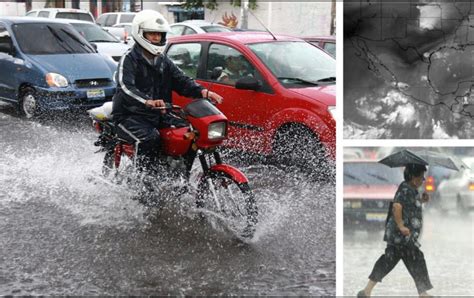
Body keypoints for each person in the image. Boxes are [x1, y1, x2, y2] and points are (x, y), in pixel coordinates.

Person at [112, 10, 223, 173]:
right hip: (129, 115)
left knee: (189, 133)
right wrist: (147, 101)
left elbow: (181, 80)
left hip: (158, 114)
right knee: (151, 138)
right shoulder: (129, 59)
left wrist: (203, 92)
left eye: (159, 34)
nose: (156, 38)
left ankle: (179, 175)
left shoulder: (163, 61)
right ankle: (144, 180)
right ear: (140, 33)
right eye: (152, 34)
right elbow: (126, 87)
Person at [358, 163, 433, 297]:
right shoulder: (405, 189)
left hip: (403, 237)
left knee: (393, 260)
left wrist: (421, 200)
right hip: (401, 237)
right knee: (411, 260)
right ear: (412, 177)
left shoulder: (411, 189)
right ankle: (423, 294)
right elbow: (397, 207)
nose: (423, 180)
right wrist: (401, 226)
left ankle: (366, 291)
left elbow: (409, 205)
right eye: (421, 177)